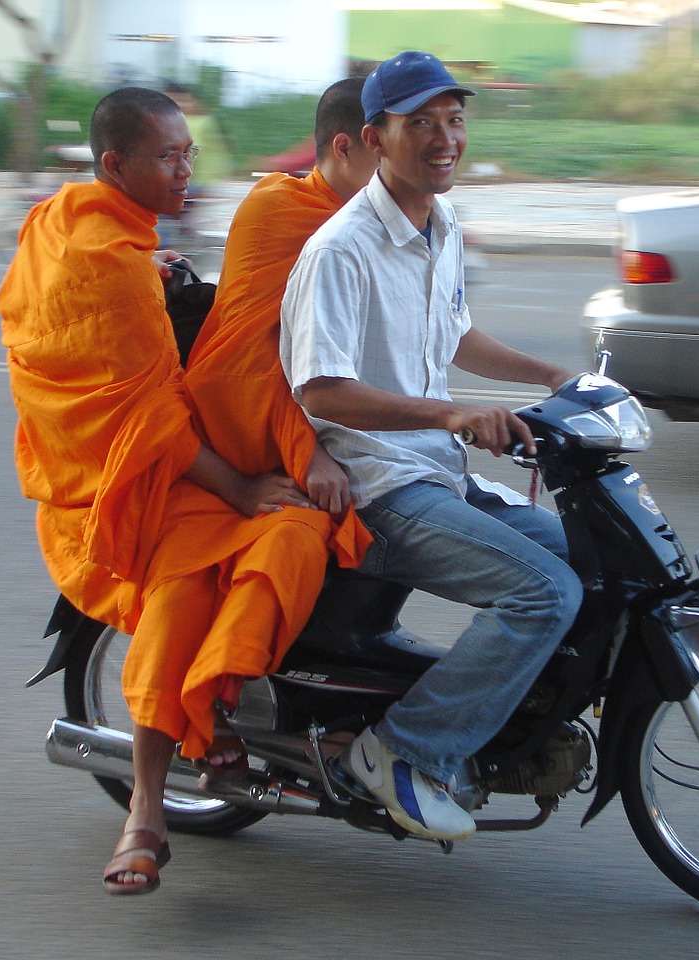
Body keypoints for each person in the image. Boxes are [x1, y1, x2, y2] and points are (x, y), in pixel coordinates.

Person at [0, 87, 369, 896]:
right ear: (114, 165)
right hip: (136, 479)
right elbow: (149, 418)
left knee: (299, 532)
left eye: (189, 154)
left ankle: (219, 704)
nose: (185, 172)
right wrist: (238, 486)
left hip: (170, 451)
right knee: (203, 573)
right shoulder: (106, 262)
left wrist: (151, 266)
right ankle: (148, 812)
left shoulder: (72, 220)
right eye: (167, 159)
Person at [280, 52, 583, 842]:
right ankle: (404, 751)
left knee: (594, 560)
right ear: (375, 137)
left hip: (438, 474)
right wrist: (452, 416)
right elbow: (322, 392)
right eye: (421, 123)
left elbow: (456, 335)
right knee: (543, 591)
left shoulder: (439, 225)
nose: (445, 138)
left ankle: (509, 733)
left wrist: (552, 375)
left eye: (454, 119)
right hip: (378, 487)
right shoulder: (340, 250)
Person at [182, 76, 377, 503]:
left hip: (352, 418)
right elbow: (253, 349)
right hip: (253, 413)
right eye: (385, 152)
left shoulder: (386, 221)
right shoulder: (277, 209)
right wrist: (306, 448)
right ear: (344, 148)